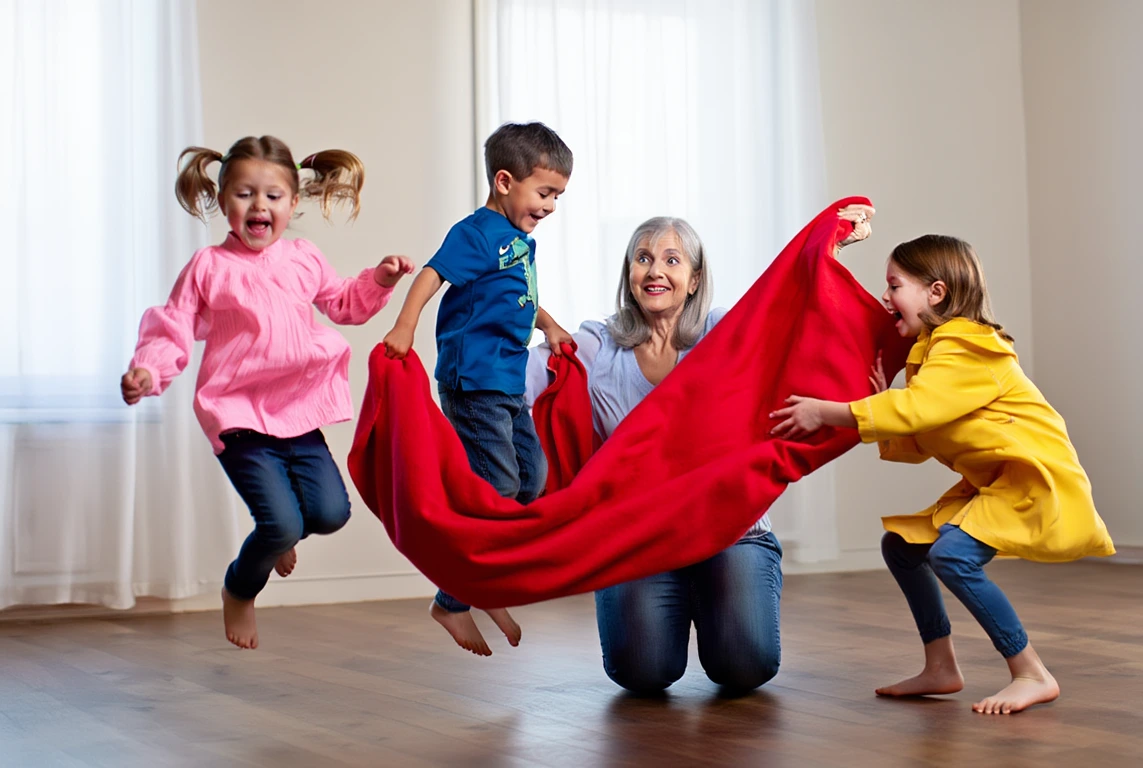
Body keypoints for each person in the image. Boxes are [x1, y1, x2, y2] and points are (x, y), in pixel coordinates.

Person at [524, 208, 870, 694]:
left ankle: (715, 589)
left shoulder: (722, 333)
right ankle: (674, 593)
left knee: (745, 667)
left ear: (694, 278)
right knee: (640, 673)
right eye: (643, 259)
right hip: (637, 537)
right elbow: (517, 384)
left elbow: (794, 319)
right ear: (629, 274)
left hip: (732, 529)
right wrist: (500, 316)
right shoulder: (597, 345)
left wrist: (826, 252)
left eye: (671, 259)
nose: (655, 271)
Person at [770, 231, 1115, 714]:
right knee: (903, 548)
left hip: (1028, 479)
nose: (885, 298)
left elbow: (919, 410)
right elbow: (923, 432)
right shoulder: (933, 353)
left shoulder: (966, 345)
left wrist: (829, 412)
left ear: (936, 293)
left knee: (953, 555)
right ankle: (941, 666)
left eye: (894, 286)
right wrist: (883, 399)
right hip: (993, 482)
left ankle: (1032, 672)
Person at [121, 135, 414, 650]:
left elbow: (343, 302)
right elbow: (174, 324)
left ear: (293, 203)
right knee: (279, 522)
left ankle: (281, 536)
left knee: (329, 514)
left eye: (273, 196)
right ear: (222, 199)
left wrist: (380, 280)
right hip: (237, 414)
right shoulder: (209, 267)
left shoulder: (303, 258)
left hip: (297, 411)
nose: (259, 206)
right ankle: (240, 587)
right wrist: (148, 371)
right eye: (244, 194)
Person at [381, 122, 574, 656]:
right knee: (498, 488)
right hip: (474, 381)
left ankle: (482, 583)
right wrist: (406, 326)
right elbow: (430, 276)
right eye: (545, 193)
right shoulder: (475, 233)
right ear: (505, 181)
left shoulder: (519, 240)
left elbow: (518, 297)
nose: (552, 206)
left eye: (558, 195)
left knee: (531, 481)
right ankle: (455, 597)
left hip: (509, 380)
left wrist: (550, 325)